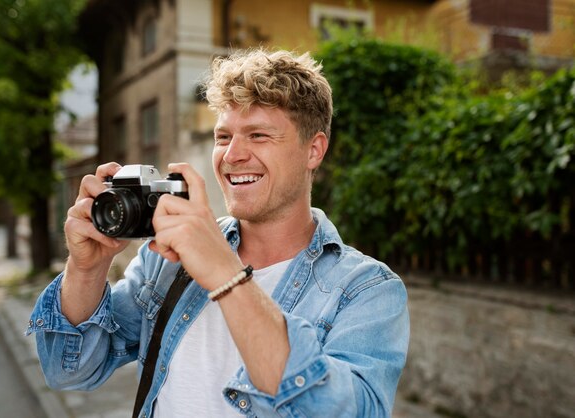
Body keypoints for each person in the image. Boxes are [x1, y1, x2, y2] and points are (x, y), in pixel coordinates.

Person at [28, 48, 410, 418]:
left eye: (258, 135)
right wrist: (86, 269)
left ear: (314, 150)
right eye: (224, 137)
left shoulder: (366, 290)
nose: (231, 156)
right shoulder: (166, 260)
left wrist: (226, 275)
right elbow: (69, 371)